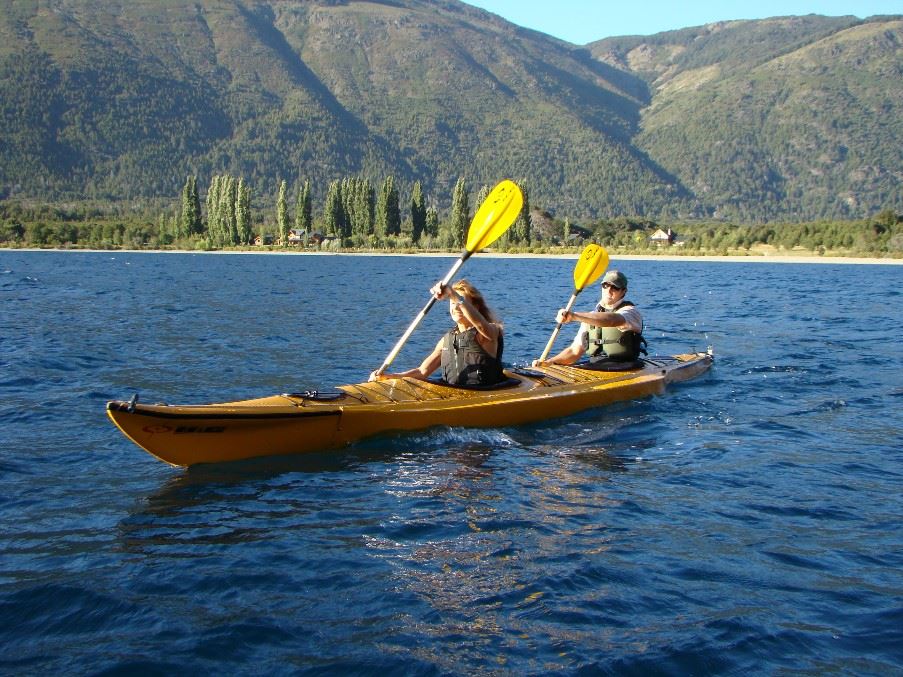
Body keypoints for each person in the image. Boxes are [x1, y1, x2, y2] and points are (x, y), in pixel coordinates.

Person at [369, 279, 505, 386]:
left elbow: (481, 326)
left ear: (475, 307)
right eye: (452, 303)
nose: (456, 306)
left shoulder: (491, 331)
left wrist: (453, 295)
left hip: (484, 393)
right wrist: (390, 377)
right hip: (454, 393)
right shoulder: (446, 340)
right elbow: (422, 372)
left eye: (459, 302)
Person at [533, 269, 645, 370]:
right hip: (596, 367)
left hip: (625, 366)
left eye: (615, 287)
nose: (609, 290)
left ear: (623, 291)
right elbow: (574, 351)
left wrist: (575, 316)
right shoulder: (591, 317)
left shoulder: (631, 312)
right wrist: (550, 362)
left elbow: (612, 320)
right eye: (605, 285)